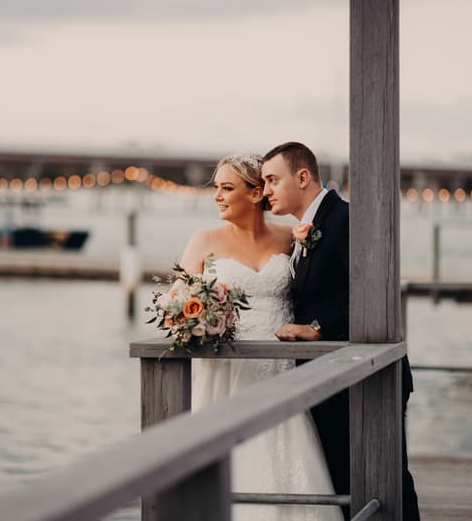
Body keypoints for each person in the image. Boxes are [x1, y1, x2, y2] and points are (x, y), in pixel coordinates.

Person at [261, 141, 420, 521]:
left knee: (386, 482)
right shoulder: (307, 228)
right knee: (345, 482)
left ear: (302, 177)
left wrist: (316, 328)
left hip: (363, 378)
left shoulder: (346, 219)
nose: (265, 191)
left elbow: (372, 294)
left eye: (271, 180)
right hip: (331, 378)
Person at [180, 154, 343, 521]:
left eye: (227, 188)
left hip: (282, 370)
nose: (217, 197)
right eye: (216, 189)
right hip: (228, 372)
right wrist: (198, 319)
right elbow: (178, 304)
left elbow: (324, 288)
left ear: (256, 194)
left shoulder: (292, 237)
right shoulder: (203, 240)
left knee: (288, 456)